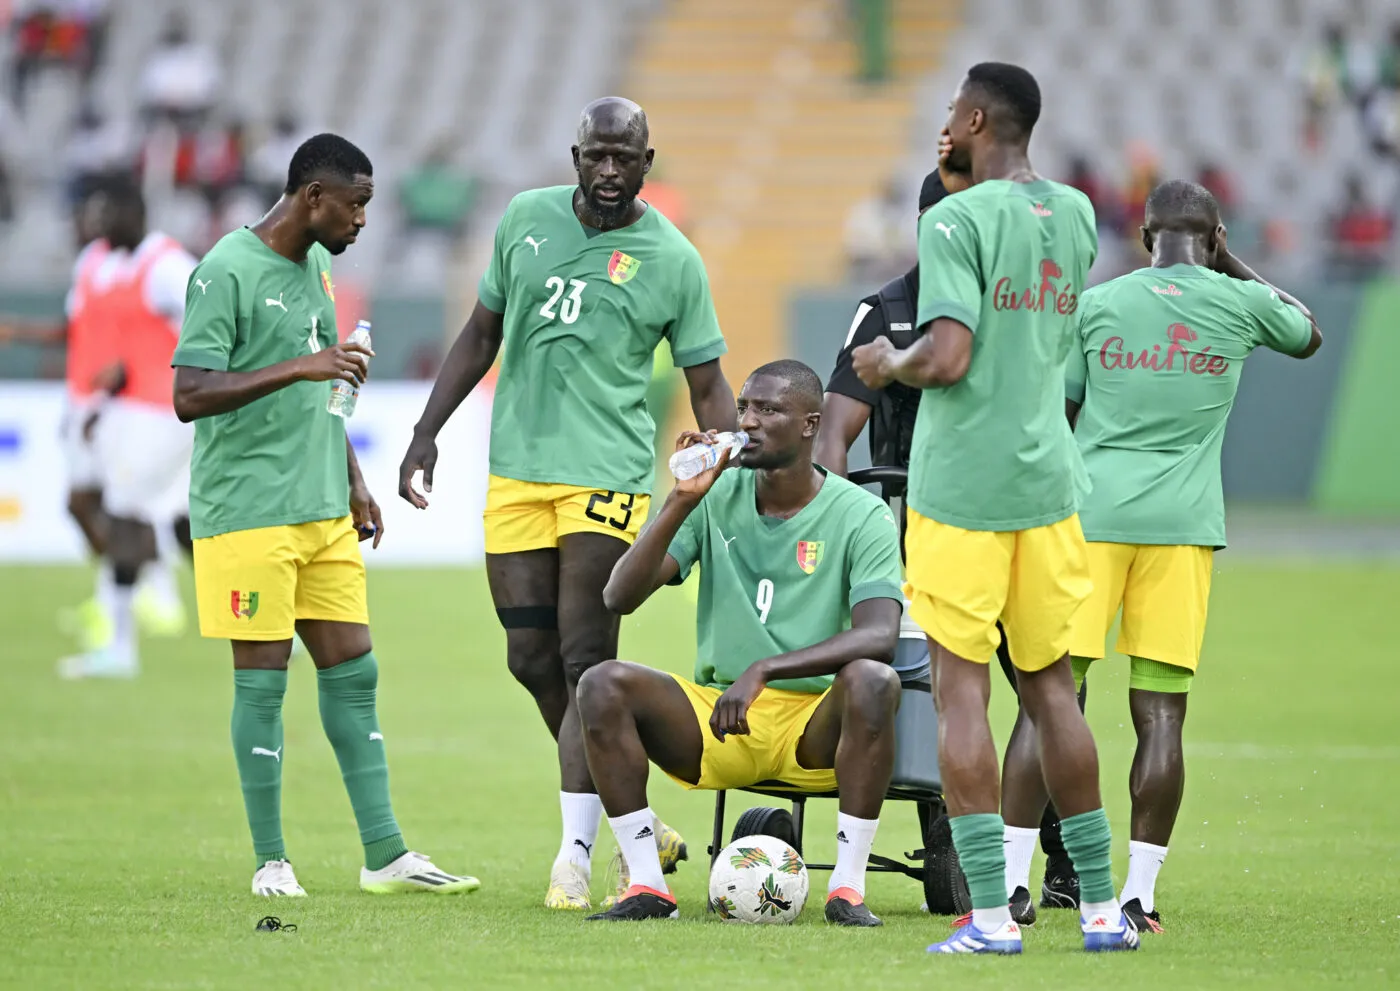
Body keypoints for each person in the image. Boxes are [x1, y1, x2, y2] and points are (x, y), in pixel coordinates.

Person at [398, 97, 736, 911]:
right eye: (598, 156)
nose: (611, 171)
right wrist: (425, 430)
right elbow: (481, 333)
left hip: (606, 478)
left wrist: (735, 461)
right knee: (530, 660)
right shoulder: (524, 220)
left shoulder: (674, 259)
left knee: (587, 664)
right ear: (576, 156)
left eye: (627, 158)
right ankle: (640, 821)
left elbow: (708, 381)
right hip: (516, 469)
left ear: (648, 163)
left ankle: (577, 860)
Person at [852, 62, 1137, 955]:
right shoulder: (1080, 212)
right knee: (1054, 693)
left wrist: (886, 361)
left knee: (962, 694)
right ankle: (1098, 910)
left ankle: (986, 919)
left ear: (974, 117)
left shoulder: (960, 220)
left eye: (951, 113)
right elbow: (1017, 270)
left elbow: (949, 354)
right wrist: (957, 180)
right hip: (1050, 481)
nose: (944, 123)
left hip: (964, 488)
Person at [172, 132, 477, 898]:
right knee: (263, 685)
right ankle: (271, 860)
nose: (363, 221)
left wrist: (354, 478)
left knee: (354, 672)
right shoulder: (225, 271)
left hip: (320, 506)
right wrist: (303, 365)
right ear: (314, 197)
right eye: (357, 204)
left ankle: (385, 853)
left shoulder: (314, 265)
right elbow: (190, 394)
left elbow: (322, 389)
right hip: (247, 511)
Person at [1050, 179, 1320, 934]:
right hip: (1182, 526)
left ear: (1144, 236)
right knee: (1161, 714)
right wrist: (1232, 264)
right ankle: (1138, 894)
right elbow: (1307, 332)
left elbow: (1063, 412)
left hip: (1090, 520)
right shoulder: (1238, 302)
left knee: (1053, 699)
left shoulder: (1098, 305)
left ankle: (1014, 884)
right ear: (1215, 235)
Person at [815, 168, 1080, 925]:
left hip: (1025, 515)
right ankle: (984, 853)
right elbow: (834, 434)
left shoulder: (1023, 298)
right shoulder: (887, 308)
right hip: (923, 524)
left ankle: (1037, 859)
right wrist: (848, 536)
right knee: (962, 690)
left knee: (1048, 688)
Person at [578, 360, 904, 925]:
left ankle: (847, 891)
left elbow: (880, 635)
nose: (748, 421)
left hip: (817, 731)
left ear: (809, 425)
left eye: (768, 410)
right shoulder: (714, 495)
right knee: (601, 683)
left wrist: (766, 670)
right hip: (722, 719)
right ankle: (648, 886)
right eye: (744, 408)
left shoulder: (861, 513)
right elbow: (618, 596)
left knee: (874, 679)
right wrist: (682, 499)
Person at [58, 176, 197, 679]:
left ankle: (121, 646)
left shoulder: (166, 266)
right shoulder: (108, 263)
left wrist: (195, 373)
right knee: (186, 523)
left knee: (122, 513)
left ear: (133, 214)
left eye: (106, 213)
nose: (96, 224)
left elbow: (212, 317)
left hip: (164, 411)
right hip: (136, 409)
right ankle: (271, 627)